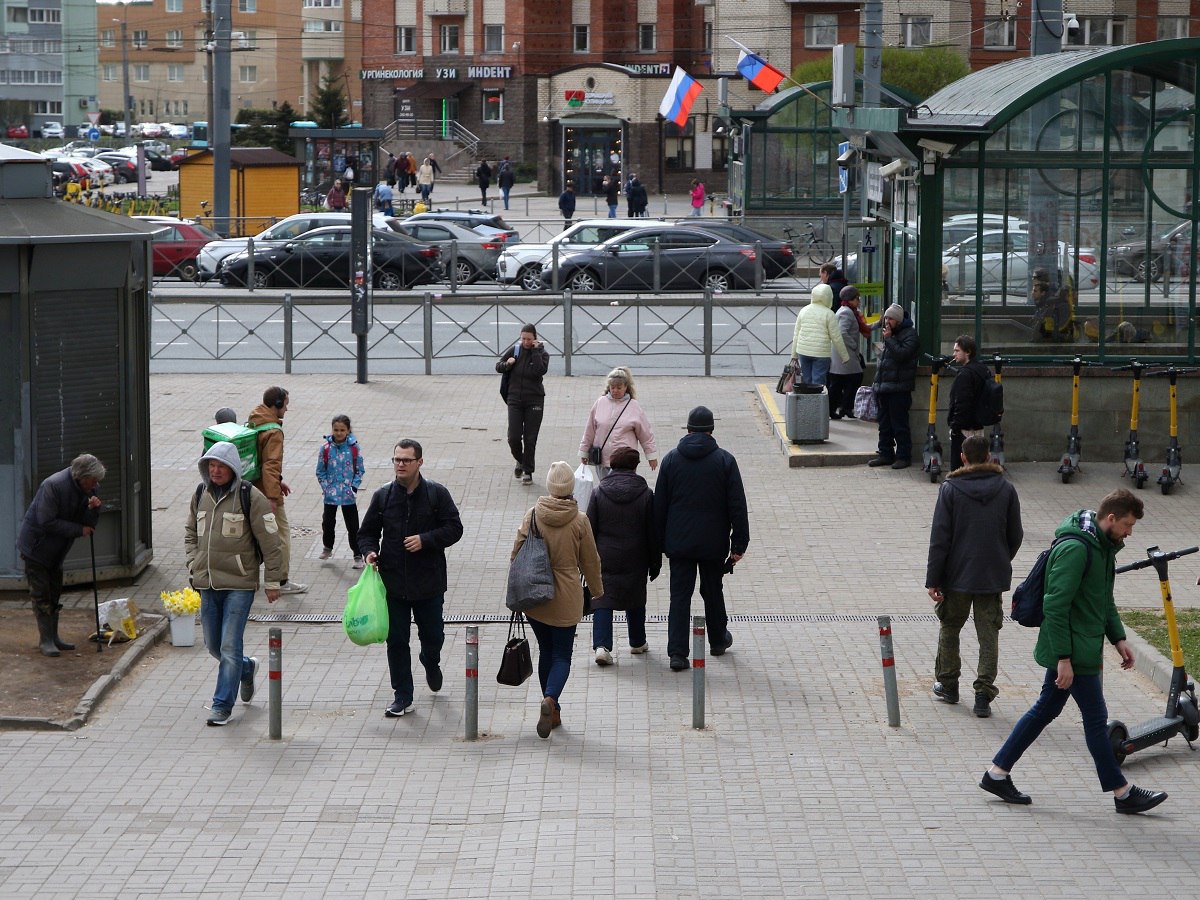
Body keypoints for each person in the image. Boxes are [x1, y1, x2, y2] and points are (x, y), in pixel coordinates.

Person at [980, 489, 1168, 815]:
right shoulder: (1076, 550)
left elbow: (1102, 599)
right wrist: (1063, 659)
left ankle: (997, 773)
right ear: (1110, 518)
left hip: (1082, 647)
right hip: (1074, 652)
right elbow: (1055, 606)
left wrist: (1118, 638)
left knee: (1044, 711)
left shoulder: (1104, 548)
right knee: (1096, 721)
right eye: (1126, 525)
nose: (1129, 533)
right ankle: (1123, 793)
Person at [359, 439, 464, 718]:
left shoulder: (436, 494)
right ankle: (402, 696)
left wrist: (426, 540)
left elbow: (455, 528)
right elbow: (366, 532)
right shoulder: (383, 497)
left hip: (429, 584)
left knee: (433, 637)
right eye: (397, 460)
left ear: (420, 462)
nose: (401, 465)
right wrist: (369, 552)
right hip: (393, 584)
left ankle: (430, 661)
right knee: (396, 640)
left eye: (406, 460)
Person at [185, 441, 284, 726]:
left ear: (233, 469)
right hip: (207, 583)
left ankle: (221, 706)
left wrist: (273, 580)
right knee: (214, 646)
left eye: (221, 467)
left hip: (239, 584)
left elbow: (271, 541)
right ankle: (246, 668)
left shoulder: (250, 497)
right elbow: (190, 531)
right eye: (211, 466)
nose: (215, 471)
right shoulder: (200, 493)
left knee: (229, 646)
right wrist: (192, 562)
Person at [925, 435, 1023, 718]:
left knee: (950, 627)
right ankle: (983, 695)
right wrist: (1001, 559)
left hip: (956, 575)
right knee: (988, 633)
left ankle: (948, 684)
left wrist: (934, 578)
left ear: (963, 458)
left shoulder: (950, 489)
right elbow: (1015, 535)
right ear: (990, 457)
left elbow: (940, 538)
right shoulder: (1006, 489)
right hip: (991, 575)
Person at [510, 461, 603, 738]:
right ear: (570, 488)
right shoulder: (579, 520)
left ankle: (553, 710)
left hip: (535, 597)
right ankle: (550, 701)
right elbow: (590, 561)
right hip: (566, 595)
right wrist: (597, 590)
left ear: (550, 486)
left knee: (546, 651)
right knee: (562, 654)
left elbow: (516, 552)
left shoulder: (533, 514)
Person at [654, 406, 749, 672]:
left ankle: (677, 653)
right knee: (712, 591)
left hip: (679, 543)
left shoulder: (671, 460)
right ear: (711, 431)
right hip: (713, 543)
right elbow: (737, 506)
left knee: (679, 596)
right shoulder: (725, 461)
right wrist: (739, 544)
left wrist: (659, 544)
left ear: (687, 430)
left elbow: (659, 506)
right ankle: (718, 639)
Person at [17, 454, 105, 657]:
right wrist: (78, 529)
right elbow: (45, 520)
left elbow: (88, 524)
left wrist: (94, 510)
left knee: (55, 590)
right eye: (93, 481)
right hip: (36, 548)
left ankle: (54, 637)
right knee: (41, 594)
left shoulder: (90, 489)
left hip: (57, 549)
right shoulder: (53, 486)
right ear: (81, 477)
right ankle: (45, 640)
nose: (96, 485)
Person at [586, 447, 660, 664]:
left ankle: (602, 646)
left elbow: (590, 527)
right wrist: (655, 562)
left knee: (601, 597)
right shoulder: (646, 494)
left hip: (605, 554)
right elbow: (652, 532)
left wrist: (587, 560)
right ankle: (637, 642)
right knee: (635, 595)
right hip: (636, 555)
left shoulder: (599, 492)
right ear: (635, 466)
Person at [247, 386, 306, 594]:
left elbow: (258, 460)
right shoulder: (274, 431)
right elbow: (270, 464)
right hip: (266, 492)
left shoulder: (255, 421)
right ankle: (281, 580)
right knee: (281, 535)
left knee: (251, 535)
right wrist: (273, 495)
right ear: (278, 404)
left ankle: (247, 578)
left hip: (251, 488)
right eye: (286, 404)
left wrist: (278, 481)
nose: (287, 409)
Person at [579, 367, 658, 477]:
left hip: (625, 462)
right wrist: (584, 451)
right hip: (603, 459)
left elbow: (646, 434)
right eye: (613, 387)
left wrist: (651, 456)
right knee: (605, 490)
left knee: (622, 490)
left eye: (619, 388)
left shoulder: (634, 406)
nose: (615, 390)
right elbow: (590, 430)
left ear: (626, 387)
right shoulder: (600, 403)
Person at [497, 324, 551, 485]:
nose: (525, 342)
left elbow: (539, 371)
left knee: (530, 438)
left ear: (535, 338)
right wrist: (508, 364)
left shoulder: (543, 354)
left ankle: (528, 471)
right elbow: (498, 366)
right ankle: (520, 460)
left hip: (534, 400)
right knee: (513, 437)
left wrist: (535, 351)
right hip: (514, 399)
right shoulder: (515, 351)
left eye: (529, 339)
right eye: (523, 338)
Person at [868, 303, 920, 470]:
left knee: (899, 424)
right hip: (884, 387)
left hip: (899, 388)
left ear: (897, 320)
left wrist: (889, 339)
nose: (886, 321)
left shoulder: (909, 335)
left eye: (890, 318)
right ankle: (885, 453)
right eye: (886, 318)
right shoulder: (890, 334)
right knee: (884, 424)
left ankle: (904, 456)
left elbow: (902, 355)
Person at [316, 414, 366, 568]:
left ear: (348, 430)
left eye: (342, 430)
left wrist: (353, 487)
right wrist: (326, 487)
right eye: (336, 430)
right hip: (330, 495)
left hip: (348, 495)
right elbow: (320, 471)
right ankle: (328, 547)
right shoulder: (325, 449)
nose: (338, 433)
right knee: (328, 522)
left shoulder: (353, 448)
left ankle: (358, 555)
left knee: (352, 525)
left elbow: (360, 470)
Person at [946, 334, 991, 472]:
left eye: (957, 350)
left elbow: (962, 403)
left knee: (960, 468)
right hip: (979, 425)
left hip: (964, 429)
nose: (954, 354)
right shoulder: (983, 370)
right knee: (978, 466)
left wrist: (955, 427)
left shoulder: (965, 374)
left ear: (968, 352)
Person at [791, 283, 849, 387]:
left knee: (807, 381)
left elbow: (796, 334)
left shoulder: (804, 310)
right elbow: (836, 337)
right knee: (818, 382)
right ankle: (816, 403)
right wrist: (844, 356)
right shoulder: (829, 314)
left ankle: (807, 402)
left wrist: (794, 355)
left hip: (803, 351)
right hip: (821, 353)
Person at [827, 285, 865, 419]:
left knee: (841, 382)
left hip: (843, 355)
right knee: (853, 378)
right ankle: (843, 407)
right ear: (850, 299)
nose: (858, 301)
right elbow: (842, 333)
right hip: (844, 354)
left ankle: (843, 408)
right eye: (856, 298)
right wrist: (854, 345)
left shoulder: (848, 311)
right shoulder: (845, 313)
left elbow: (861, 328)